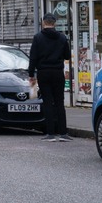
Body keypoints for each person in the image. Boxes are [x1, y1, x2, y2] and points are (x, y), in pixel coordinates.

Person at [29, 12, 71, 142]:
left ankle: (50, 133)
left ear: (43, 23)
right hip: (58, 72)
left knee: (47, 102)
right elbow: (67, 56)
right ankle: (63, 133)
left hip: (44, 72)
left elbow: (33, 58)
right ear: (55, 23)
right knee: (59, 102)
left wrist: (31, 74)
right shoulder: (62, 38)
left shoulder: (38, 38)